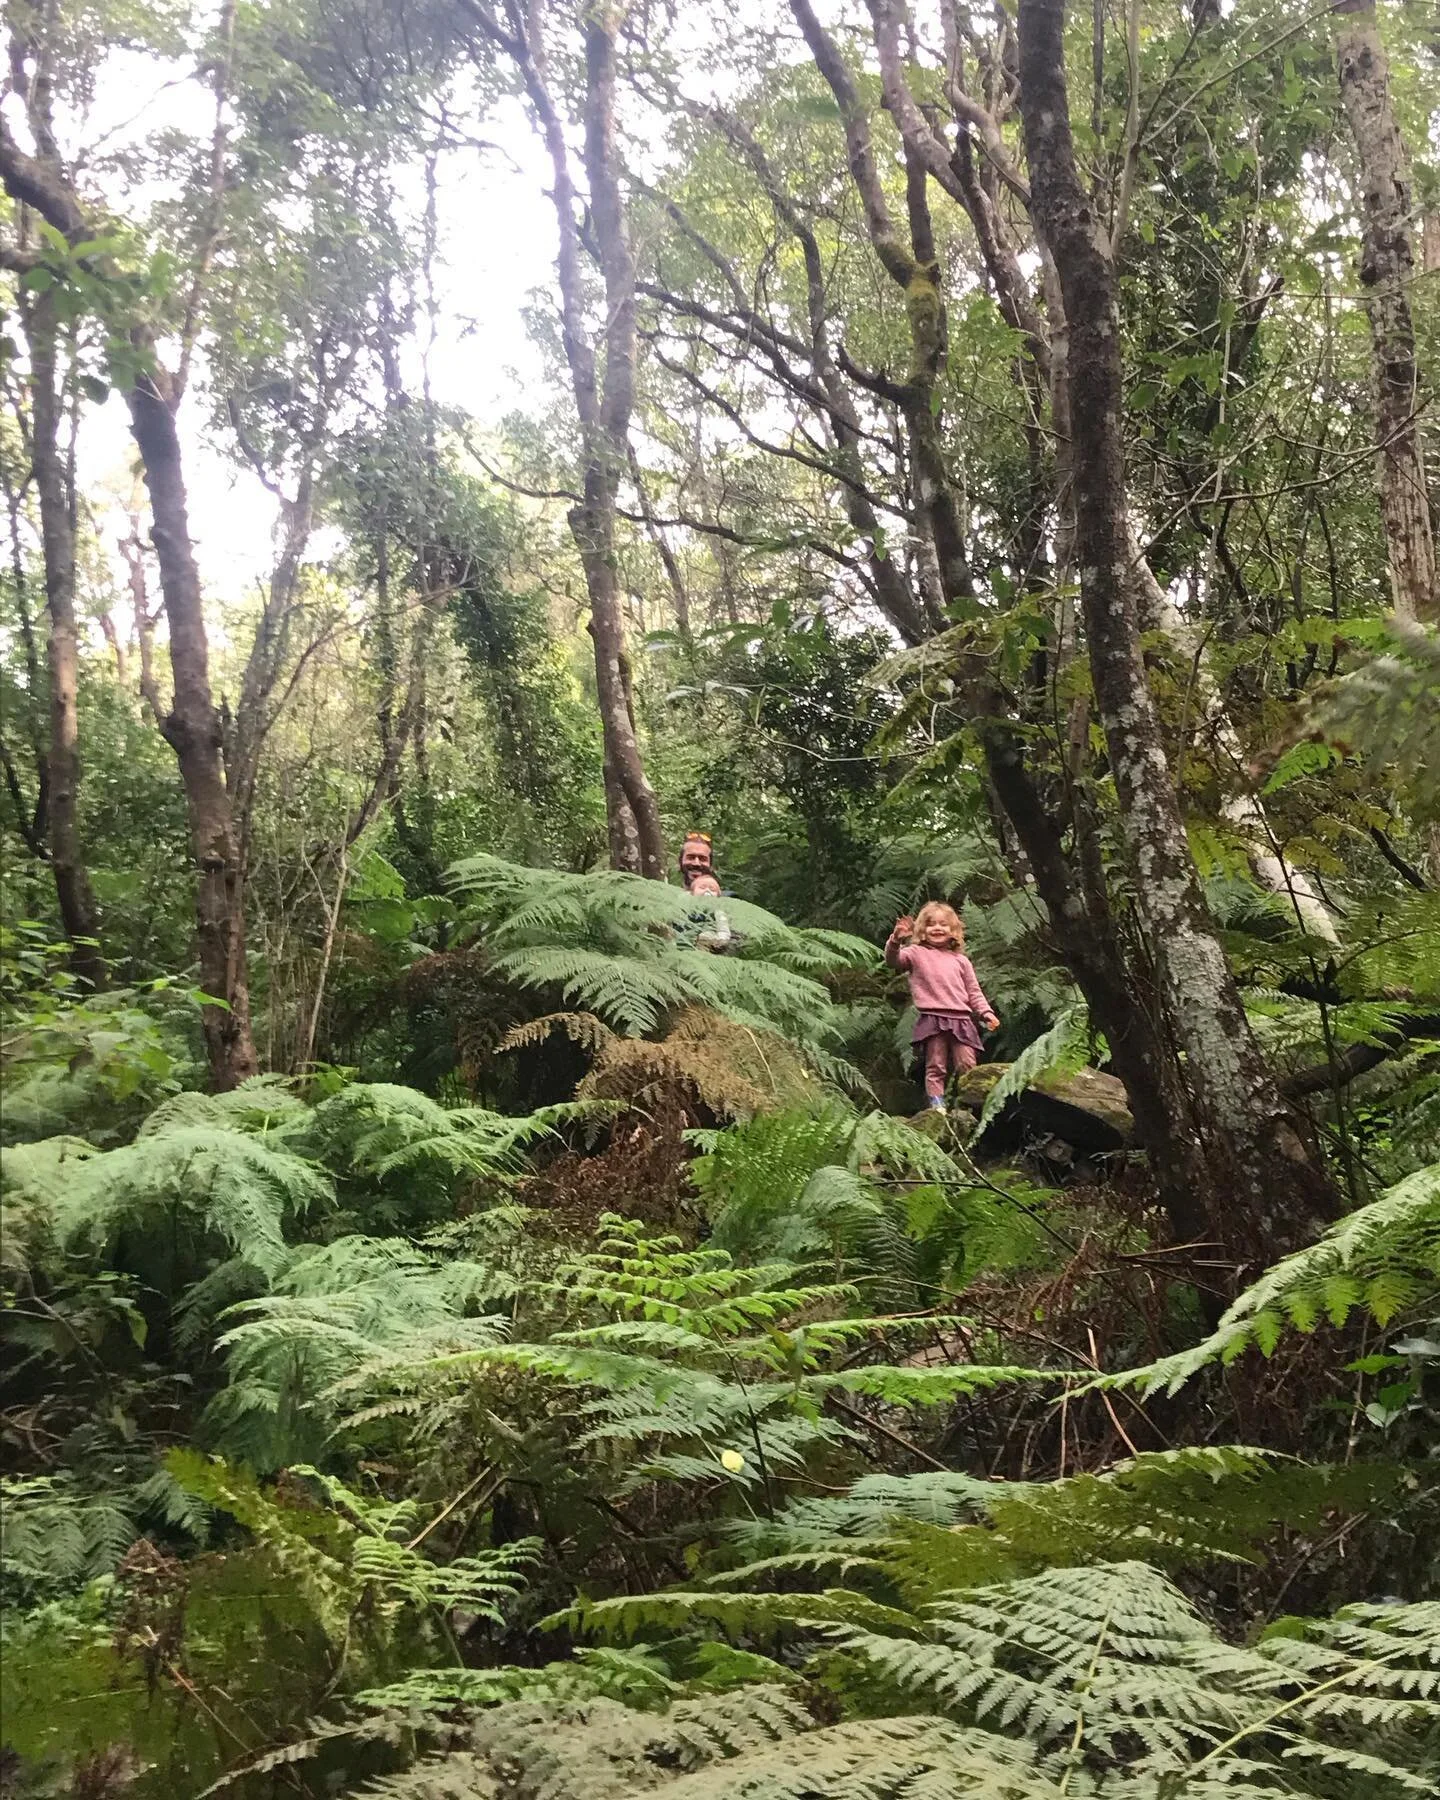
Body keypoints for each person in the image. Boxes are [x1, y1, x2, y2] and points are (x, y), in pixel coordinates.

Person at [885, 902, 999, 1111]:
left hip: (962, 1020)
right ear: (922, 930)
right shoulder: (915, 953)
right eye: (931, 924)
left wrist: (986, 1013)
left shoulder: (961, 961)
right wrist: (895, 940)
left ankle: (971, 1104)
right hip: (932, 1018)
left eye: (943, 924)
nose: (937, 928)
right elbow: (894, 960)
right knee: (936, 1065)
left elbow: (974, 992)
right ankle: (937, 1106)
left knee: (967, 1064)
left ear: (953, 930)